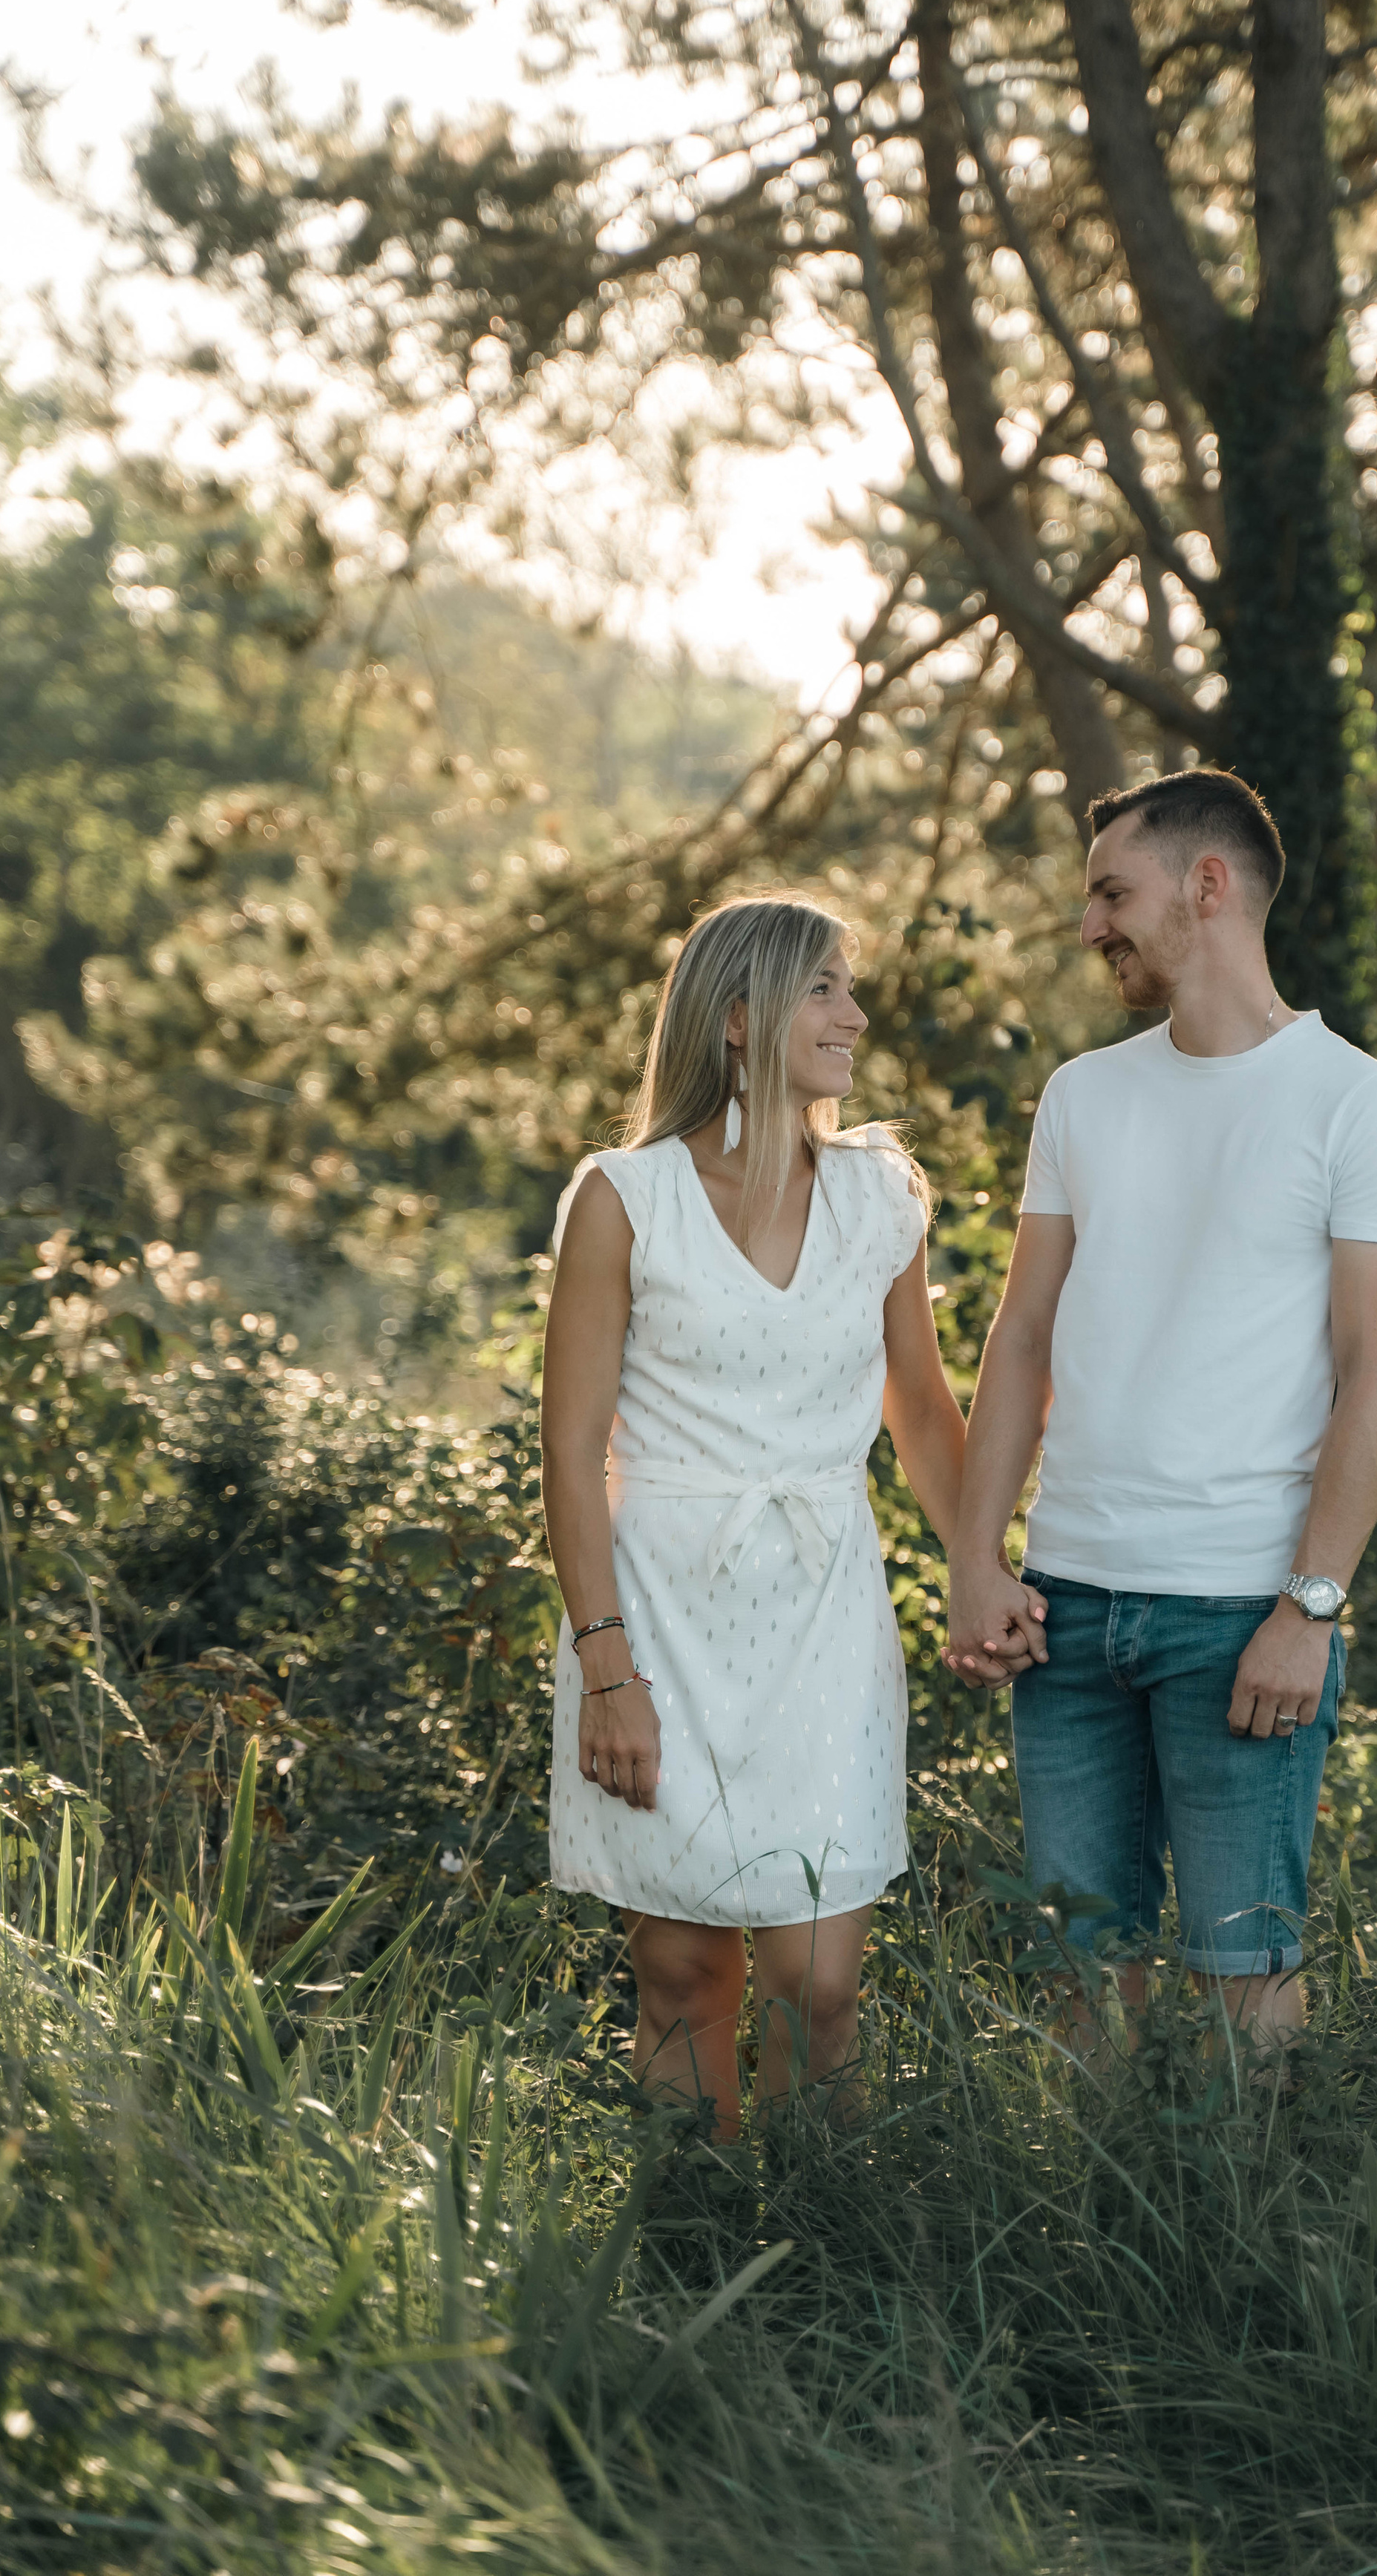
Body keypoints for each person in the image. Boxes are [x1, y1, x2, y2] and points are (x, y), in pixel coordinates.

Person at [946, 769, 1377, 2047]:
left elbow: (1376, 1378)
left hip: (1241, 1616)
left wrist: (1309, 1609)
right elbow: (1022, 1338)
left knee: (1245, 1979)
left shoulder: (1358, 1102)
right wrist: (976, 1558)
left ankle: (1238, 2191)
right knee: (1078, 1973)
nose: (1091, 925)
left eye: (1113, 894)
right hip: (1066, 1611)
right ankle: (1102, 2187)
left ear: (1205, 885)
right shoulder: (1083, 1095)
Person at [540, 894, 965, 2134]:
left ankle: (822, 2226)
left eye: (849, 987)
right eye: (824, 988)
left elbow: (921, 1408)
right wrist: (606, 1668)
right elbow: (570, 1449)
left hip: (824, 1608)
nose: (856, 1015)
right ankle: (697, 2225)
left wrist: (981, 1568)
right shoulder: (626, 1197)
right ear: (738, 1018)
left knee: (819, 1985)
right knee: (682, 1975)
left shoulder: (881, 1197)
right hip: (656, 1615)